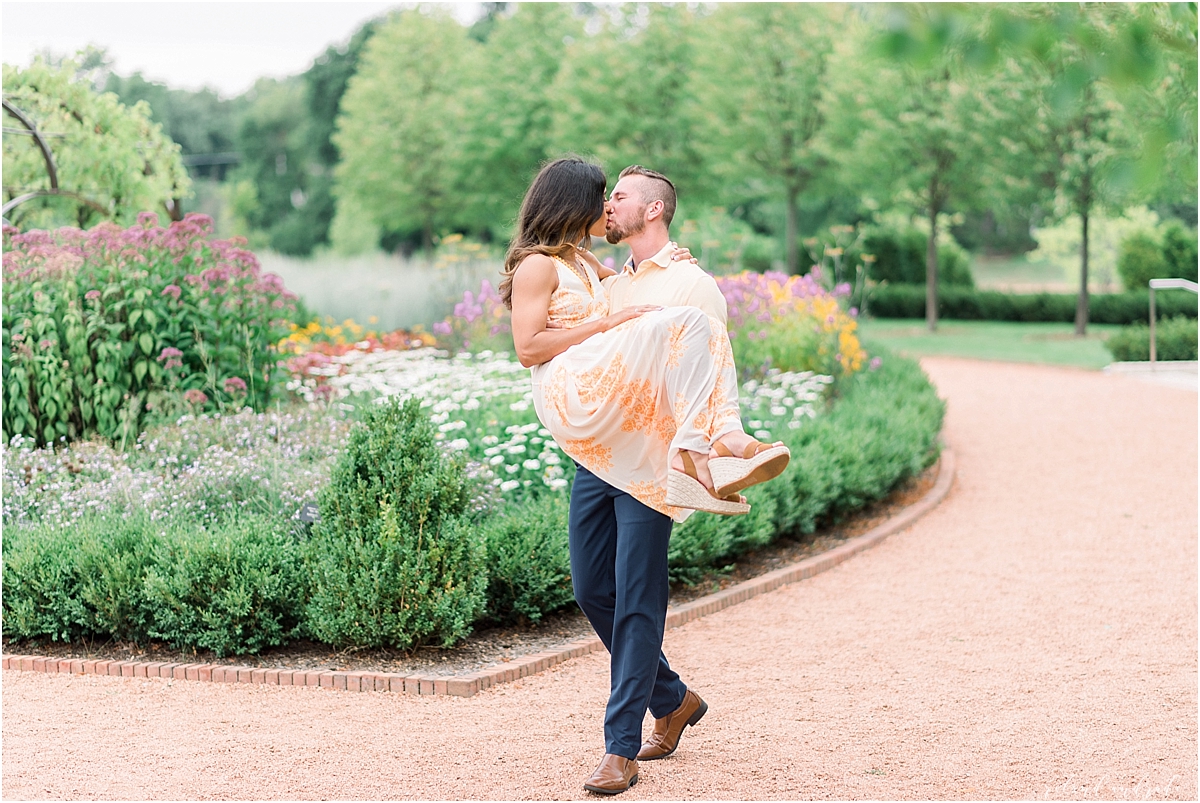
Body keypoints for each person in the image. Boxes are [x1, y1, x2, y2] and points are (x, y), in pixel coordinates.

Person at [501, 157, 789, 795]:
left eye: (618, 199)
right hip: (598, 453)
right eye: (602, 199)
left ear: (651, 209)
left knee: (636, 598)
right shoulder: (606, 275)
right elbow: (555, 339)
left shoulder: (689, 285)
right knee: (589, 589)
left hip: (656, 458)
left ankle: (619, 748)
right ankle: (675, 699)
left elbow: (702, 358)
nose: (607, 209)